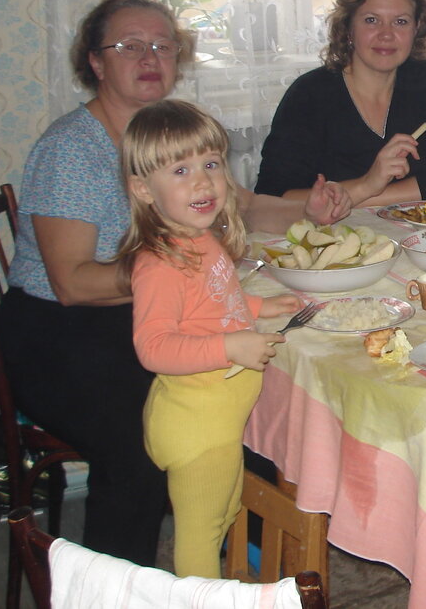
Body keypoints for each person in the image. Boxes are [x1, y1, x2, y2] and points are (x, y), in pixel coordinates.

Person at [0, 0, 350, 566]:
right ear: (95, 61)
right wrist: (174, 265)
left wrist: (307, 209)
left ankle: (248, 561)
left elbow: (244, 208)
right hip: (58, 331)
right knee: (138, 446)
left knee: (253, 395)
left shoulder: (172, 136)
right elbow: (73, 282)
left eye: (162, 46)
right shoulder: (71, 150)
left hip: (139, 311)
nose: (149, 56)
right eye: (129, 46)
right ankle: (116, 585)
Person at [119, 100, 300, 577]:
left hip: (216, 421)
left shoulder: (197, 237)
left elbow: (214, 302)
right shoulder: (159, 262)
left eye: (211, 164)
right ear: (143, 189)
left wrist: (260, 308)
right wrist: (229, 347)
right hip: (199, 433)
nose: (202, 182)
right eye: (180, 170)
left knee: (223, 514)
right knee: (201, 542)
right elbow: (153, 347)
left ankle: (238, 578)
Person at [255, 0, 426, 207]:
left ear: (416, 29)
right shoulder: (309, 96)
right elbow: (271, 200)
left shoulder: (422, 79)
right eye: (371, 20)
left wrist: (353, 196)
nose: (386, 34)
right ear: (348, 29)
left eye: (400, 22)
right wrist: (368, 184)